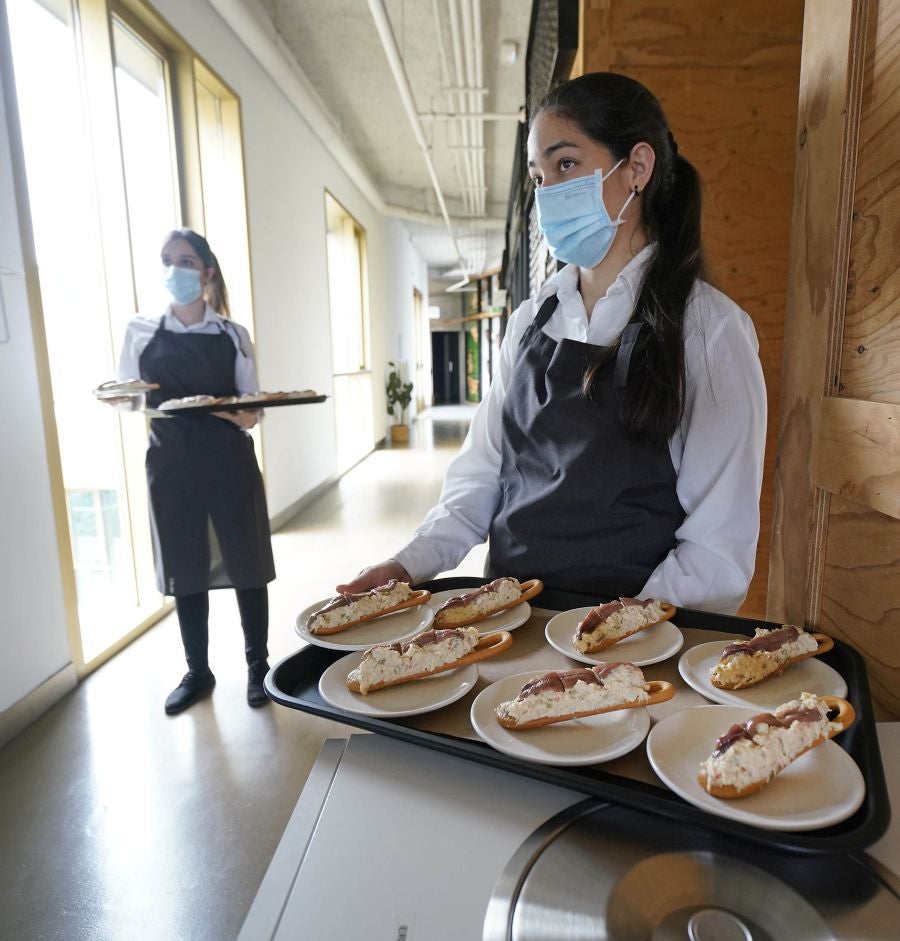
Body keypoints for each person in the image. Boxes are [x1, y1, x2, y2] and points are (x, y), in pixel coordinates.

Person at [338, 72, 767, 615]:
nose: (548, 194)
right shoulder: (528, 322)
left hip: (633, 639)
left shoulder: (709, 331)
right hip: (510, 616)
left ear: (637, 167)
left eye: (566, 164)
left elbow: (718, 544)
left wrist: (620, 630)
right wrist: (406, 564)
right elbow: (479, 477)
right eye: (539, 177)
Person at [114, 228, 275, 714]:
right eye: (167, 260)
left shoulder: (232, 334)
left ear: (206, 272)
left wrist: (228, 411)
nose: (174, 269)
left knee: (247, 564)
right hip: (171, 464)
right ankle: (197, 671)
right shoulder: (141, 330)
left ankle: (258, 668)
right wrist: (120, 397)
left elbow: (252, 411)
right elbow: (129, 397)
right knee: (185, 568)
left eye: (185, 261)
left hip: (229, 461)